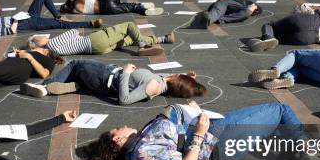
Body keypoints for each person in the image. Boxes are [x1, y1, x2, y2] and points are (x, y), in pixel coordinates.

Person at [84, 101, 303, 160]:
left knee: (267, 122)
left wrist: (190, 112)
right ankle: (307, 149)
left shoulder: (141, 143)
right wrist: (199, 134)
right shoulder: (142, 156)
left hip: (214, 127)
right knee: (280, 109)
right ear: (118, 138)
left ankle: (282, 140)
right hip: (218, 139)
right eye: (117, 128)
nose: (122, 125)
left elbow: (172, 136)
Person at [20, 59, 206, 105]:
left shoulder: (154, 86)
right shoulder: (163, 83)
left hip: (106, 77)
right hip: (103, 80)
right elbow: (168, 77)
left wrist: (125, 73)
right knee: (78, 81)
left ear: (176, 81)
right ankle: (51, 90)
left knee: (76, 64)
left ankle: (44, 85)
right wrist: (189, 78)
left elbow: (125, 100)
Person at [28, 22, 174, 57]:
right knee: (129, 26)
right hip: (93, 41)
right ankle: (142, 44)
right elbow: (73, 31)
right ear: (37, 44)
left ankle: (163, 39)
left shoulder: (53, 52)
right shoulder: (51, 44)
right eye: (38, 38)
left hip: (98, 50)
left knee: (127, 40)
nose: (42, 36)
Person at [60, 0, 163, 16]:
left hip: (104, 9)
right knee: (124, 4)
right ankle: (142, 5)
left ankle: (144, 10)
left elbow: (73, 10)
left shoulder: (76, 11)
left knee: (127, 8)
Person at [195, 0, 263, 28]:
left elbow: (259, 9)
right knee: (218, 10)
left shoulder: (247, 2)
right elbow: (220, 0)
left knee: (246, 13)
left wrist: (253, 8)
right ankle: (209, 19)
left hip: (239, 8)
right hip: (227, 3)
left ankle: (215, 19)